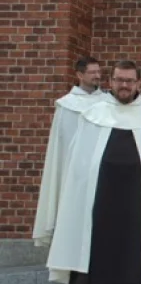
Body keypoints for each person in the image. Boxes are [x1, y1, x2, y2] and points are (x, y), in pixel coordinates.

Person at [45, 60, 141, 284]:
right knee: (95, 256)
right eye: (120, 80)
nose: (124, 86)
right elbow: (78, 167)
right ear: (111, 81)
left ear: (138, 83)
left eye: (130, 81)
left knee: (135, 257)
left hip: (139, 205)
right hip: (98, 203)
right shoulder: (92, 116)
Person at [33, 57, 106, 247]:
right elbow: (62, 145)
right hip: (74, 172)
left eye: (99, 71)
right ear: (80, 75)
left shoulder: (108, 103)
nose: (97, 75)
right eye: (92, 72)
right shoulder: (67, 106)